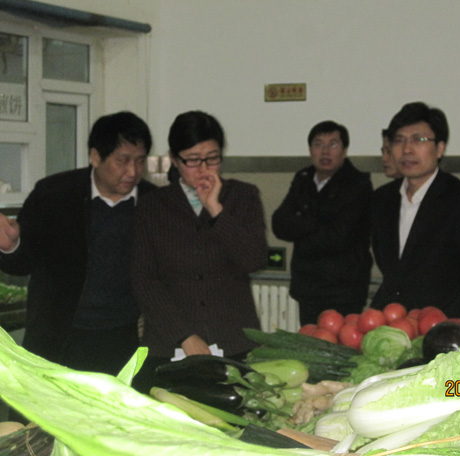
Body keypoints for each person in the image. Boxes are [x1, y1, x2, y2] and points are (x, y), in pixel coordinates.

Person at [0, 111, 155, 375]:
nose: (132, 171)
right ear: (95, 156)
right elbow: (23, 262)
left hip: (123, 338)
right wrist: (11, 246)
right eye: (122, 160)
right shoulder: (54, 195)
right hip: (58, 337)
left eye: (140, 161)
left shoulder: (153, 203)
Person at [130, 110, 268, 391]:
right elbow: (144, 280)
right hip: (168, 344)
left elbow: (254, 259)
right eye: (193, 160)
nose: (204, 168)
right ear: (175, 159)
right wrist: (184, 336)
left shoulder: (243, 196)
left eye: (212, 158)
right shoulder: (152, 206)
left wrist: (216, 210)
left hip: (234, 341)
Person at [370, 102, 460, 328]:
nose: (407, 149)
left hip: (448, 327)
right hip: (395, 325)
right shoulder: (383, 199)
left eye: (418, 140)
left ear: (440, 148)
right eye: (399, 141)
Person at [272, 120, 373, 325]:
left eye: (333, 144)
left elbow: (338, 238)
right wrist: (318, 221)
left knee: (339, 344)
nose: (325, 151)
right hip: (307, 287)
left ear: (344, 151)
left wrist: (301, 226)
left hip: (343, 289)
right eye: (318, 144)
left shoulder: (358, 184)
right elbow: (280, 224)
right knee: (308, 341)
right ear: (310, 150)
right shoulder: (303, 179)